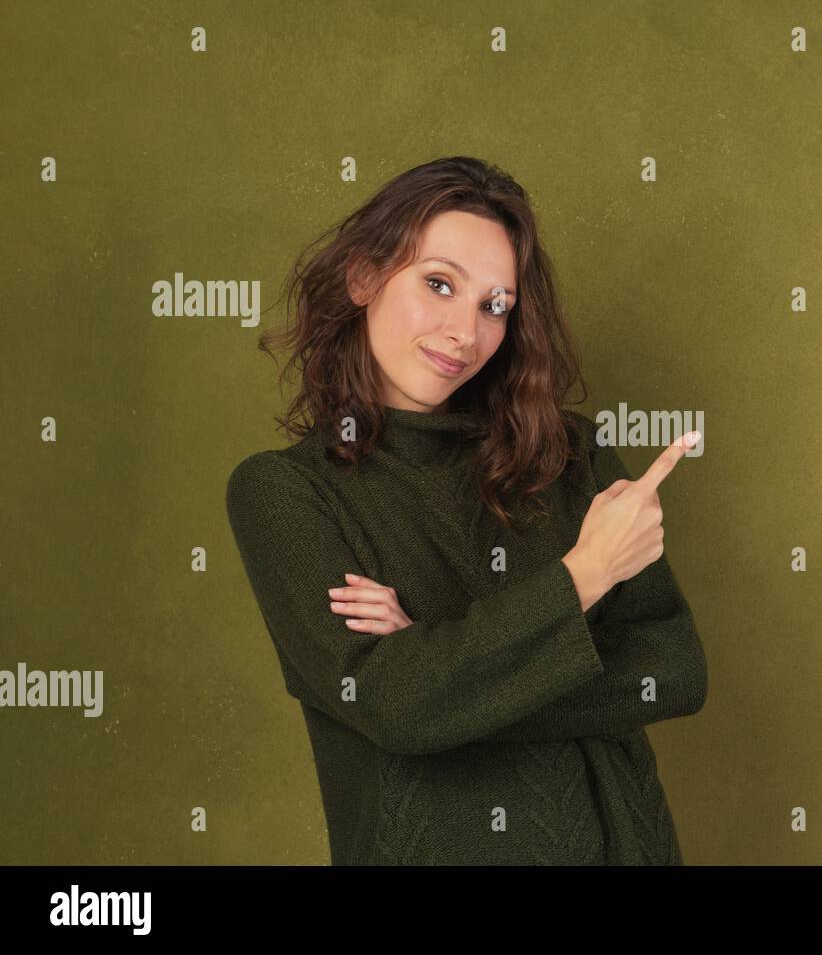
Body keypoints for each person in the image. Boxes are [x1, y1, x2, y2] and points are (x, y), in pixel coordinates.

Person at [225, 156, 707, 865]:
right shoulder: (285, 494)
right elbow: (393, 706)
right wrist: (584, 576)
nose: (464, 331)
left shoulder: (570, 455)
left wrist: (440, 664)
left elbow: (674, 670)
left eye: (495, 306)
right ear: (364, 277)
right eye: (439, 284)